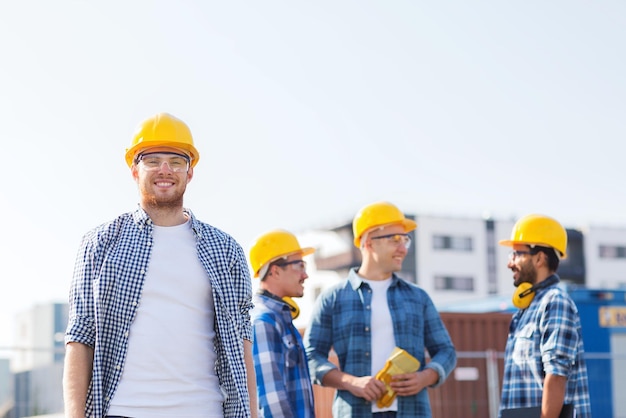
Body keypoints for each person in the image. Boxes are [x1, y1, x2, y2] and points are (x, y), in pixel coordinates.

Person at [62, 113, 257, 418]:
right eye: (152, 160)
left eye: (176, 161)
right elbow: (80, 336)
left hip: (205, 410)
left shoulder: (226, 249)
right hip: (123, 411)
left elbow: (242, 341)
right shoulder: (100, 243)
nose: (165, 170)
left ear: (189, 173)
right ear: (134, 170)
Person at [304, 201, 457, 418]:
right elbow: (310, 356)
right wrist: (351, 382)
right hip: (355, 412)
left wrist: (426, 377)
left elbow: (446, 351)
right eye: (395, 240)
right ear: (368, 242)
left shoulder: (418, 298)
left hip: (412, 411)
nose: (403, 249)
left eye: (406, 240)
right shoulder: (333, 299)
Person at [498, 214, 592, 418]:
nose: (510, 263)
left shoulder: (555, 303)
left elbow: (556, 375)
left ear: (539, 258)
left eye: (516, 254)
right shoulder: (526, 309)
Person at [249, 229, 316, 418]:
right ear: (275, 271)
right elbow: (271, 401)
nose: (305, 275)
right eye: (299, 266)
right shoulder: (264, 322)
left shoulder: (280, 319)